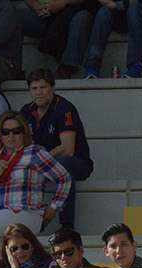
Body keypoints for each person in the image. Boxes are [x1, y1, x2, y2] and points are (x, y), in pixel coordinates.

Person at [0, 111, 71, 255]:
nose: (11, 136)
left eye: (16, 131)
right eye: (5, 132)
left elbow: (64, 177)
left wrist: (54, 207)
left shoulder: (35, 153)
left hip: (24, 212)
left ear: (24, 133)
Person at [20, 69, 95, 230]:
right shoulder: (26, 111)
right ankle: (25, 223)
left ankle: (67, 225)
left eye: (43, 87)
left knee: (62, 164)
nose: (39, 92)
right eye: (34, 88)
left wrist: (38, 160)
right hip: (43, 163)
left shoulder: (64, 108)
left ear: (53, 88)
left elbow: (67, 149)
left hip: (77, 163)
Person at [72, 0, 142, 79]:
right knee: (104, 12)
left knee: (134, 10)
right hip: (120, 14)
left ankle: (136, 66)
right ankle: (92, 65)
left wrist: (116, 5)